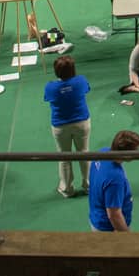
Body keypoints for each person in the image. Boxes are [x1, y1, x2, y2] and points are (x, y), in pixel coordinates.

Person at [44, 55, 93, 197]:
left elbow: (48, 98)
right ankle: (88, 185)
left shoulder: (50, 87)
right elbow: (86, 89)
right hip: (81, 123)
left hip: (60, 126)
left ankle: (66, 188)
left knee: (64, 156)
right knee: (84, 153)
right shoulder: (81, 81)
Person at [88, 129, 139, 232]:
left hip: (96, 217)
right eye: (136, 149)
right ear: (126, 153)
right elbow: (114, 215)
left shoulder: (103, 152)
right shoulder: (115, 179)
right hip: (109, 229)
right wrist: (126, 236)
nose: (138, 152)